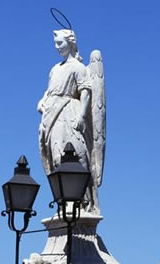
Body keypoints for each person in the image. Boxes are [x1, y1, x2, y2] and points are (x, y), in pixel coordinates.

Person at [37, 29, 101, 212]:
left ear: (70, 43)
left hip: (69, 112)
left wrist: (82, 116)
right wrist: (42, 102)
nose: (57, 47)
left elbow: (85, 91)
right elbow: (48, 92)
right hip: (51, 115)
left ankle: (83, 201)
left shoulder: (78, 67)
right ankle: (64, 202)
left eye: (60, 43)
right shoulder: (55, 69)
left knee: (76, 154)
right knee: (56, 157)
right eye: (55, 44)